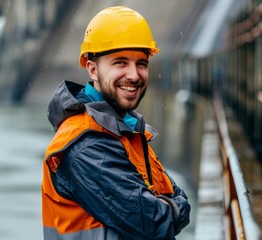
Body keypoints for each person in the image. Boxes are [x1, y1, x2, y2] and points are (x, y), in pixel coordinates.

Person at [41, 5, 190, 240]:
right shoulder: (86, 146)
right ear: (92, 68)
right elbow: (153, 224)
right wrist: (169, 207)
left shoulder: (128, 131)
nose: (133, 75)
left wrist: (168, 208)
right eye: (120, 62)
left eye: (141, 63)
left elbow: (183, 204)